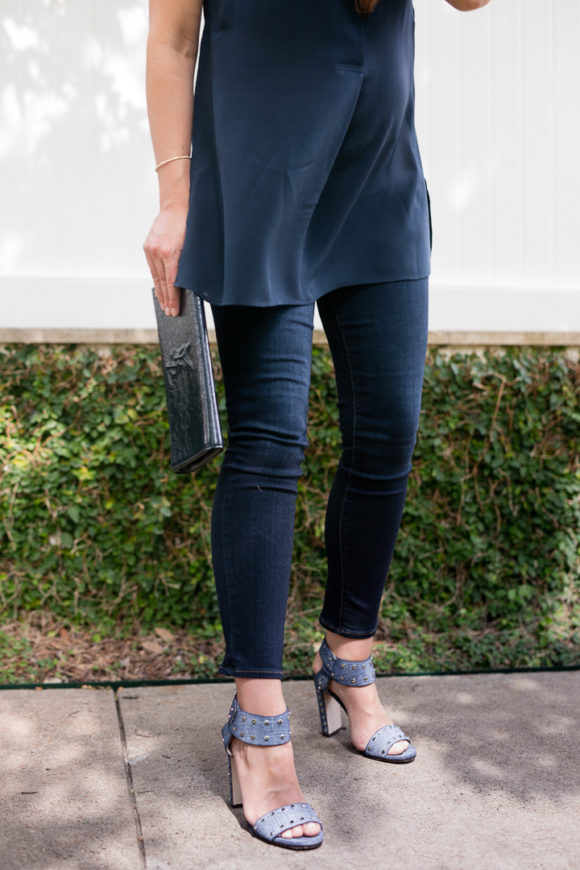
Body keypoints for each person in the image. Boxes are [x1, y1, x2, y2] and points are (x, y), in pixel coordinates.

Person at [144, 0, 491, 850]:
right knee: (270, 441)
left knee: (389, 432)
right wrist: (175, 197)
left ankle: (349, 664)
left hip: (378, 172)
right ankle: (257, 727)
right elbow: (171, 37)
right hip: (261, 172)